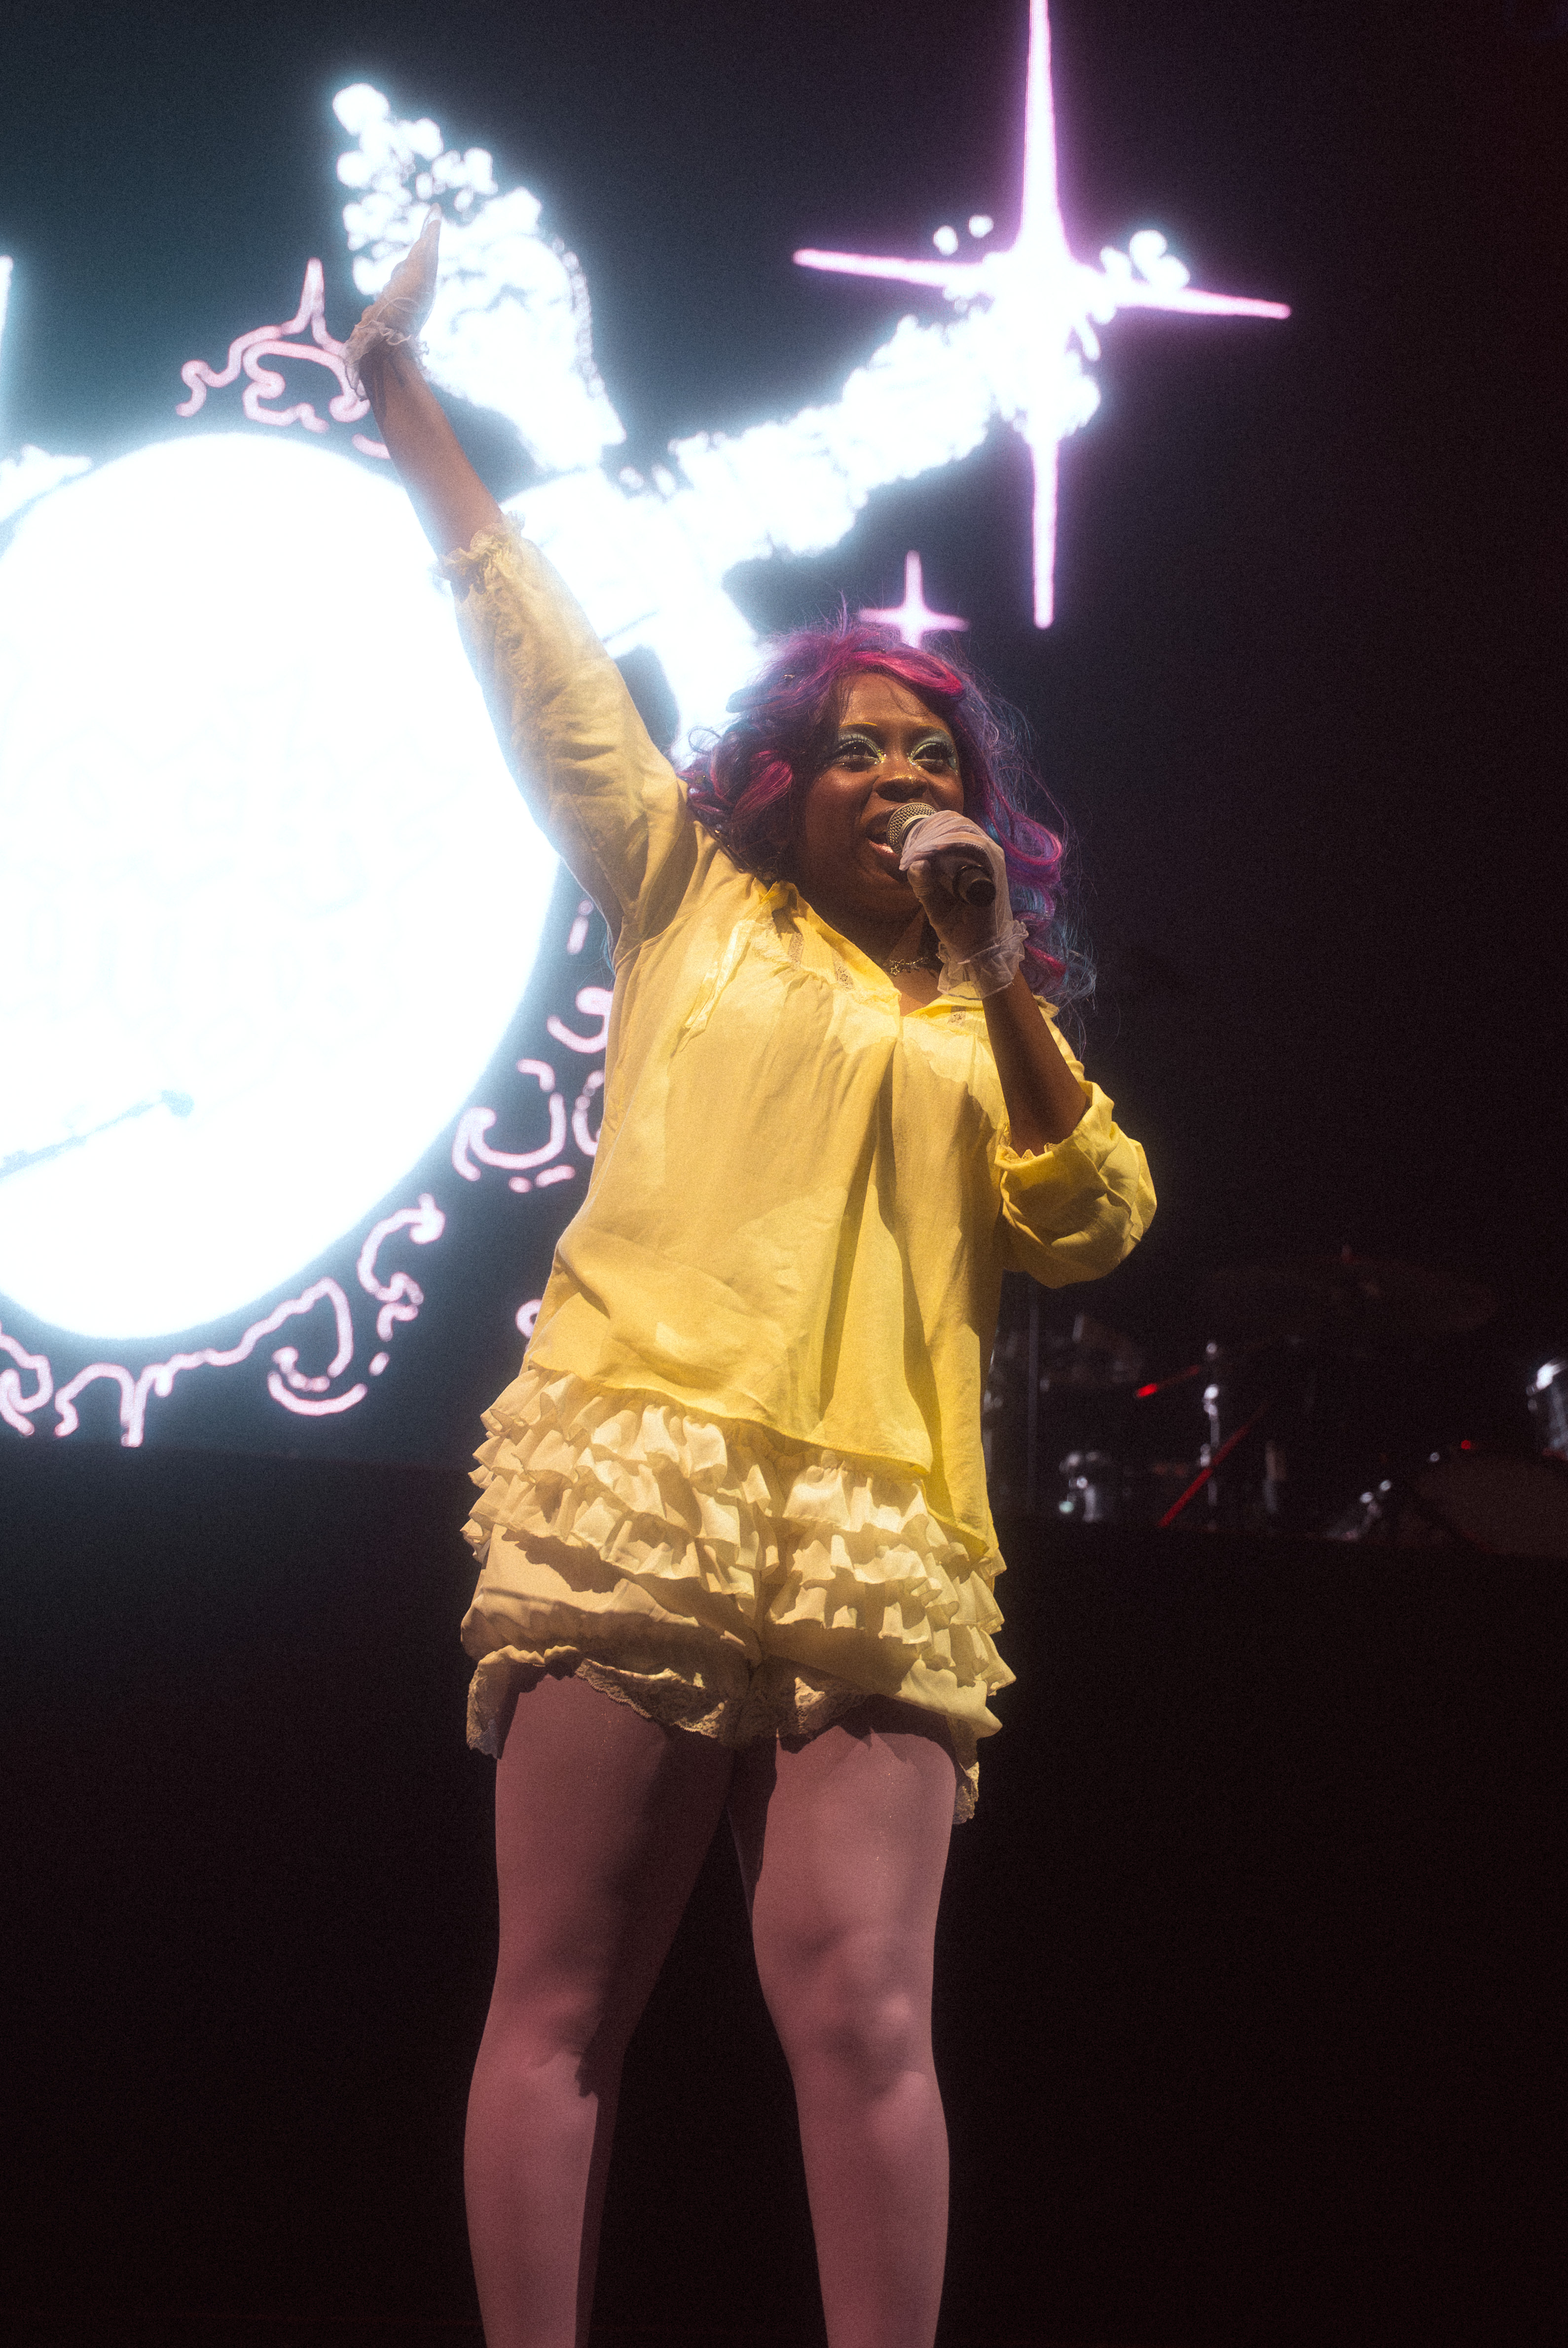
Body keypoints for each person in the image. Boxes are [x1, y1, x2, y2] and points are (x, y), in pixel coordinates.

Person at [346, 215, 1156, 2348]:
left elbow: (1094, 1217)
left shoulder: (978, 1004)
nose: (907, 779)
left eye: (938, 758)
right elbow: (534, 644)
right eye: (867, 749)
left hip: (881, 1517)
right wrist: (403, 401)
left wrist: (1003, 982)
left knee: (871, 2015)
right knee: (566, 2001)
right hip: (649, 1464)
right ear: (784, 778)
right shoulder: (685, 892)